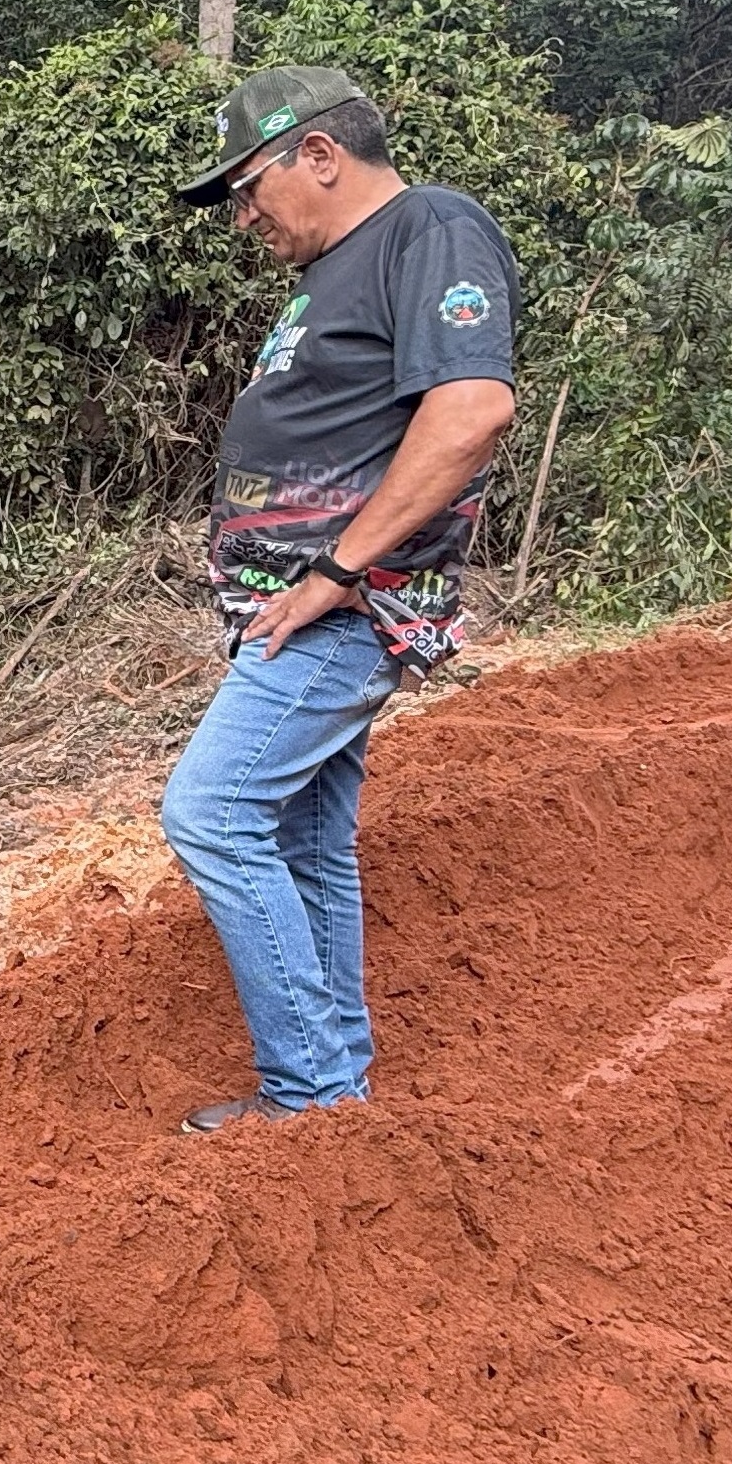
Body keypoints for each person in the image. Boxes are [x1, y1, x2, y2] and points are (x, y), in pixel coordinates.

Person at [160, 65, 519, 1132]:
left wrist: (332, 571)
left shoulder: (430, 228)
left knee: (212, 814)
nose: (240, 214)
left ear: (316, 154)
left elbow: (468, 411)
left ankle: (307, 1093)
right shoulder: (338, 269)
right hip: (297, 608)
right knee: (306, 842)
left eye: (245, 185)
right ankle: (336, 1102)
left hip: (342, 609)